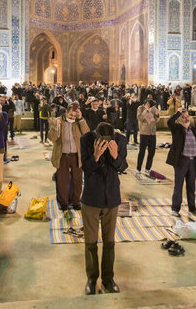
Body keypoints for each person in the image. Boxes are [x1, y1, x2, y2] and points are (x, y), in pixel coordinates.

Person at [80, 122, 127, 295]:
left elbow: (123, 167)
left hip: (111, 198)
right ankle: (92, 279)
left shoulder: (120, 140)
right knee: (91, 242)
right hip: (91, 198)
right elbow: (85, 168)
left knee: (109, 242)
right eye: (102, 141)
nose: (105, 143)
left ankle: (108, 279)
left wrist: (115, 156)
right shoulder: (86, 140)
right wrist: (96, 155)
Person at [49, 103, 89, 210]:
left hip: (77, 156)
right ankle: (64, 202)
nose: (72, 118)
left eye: (74, 116)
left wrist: (81, 119)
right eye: (71, 115)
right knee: (62, 180)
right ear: (66, 112)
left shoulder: (79, 122)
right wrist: (55, 128)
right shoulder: (57, 121)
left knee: (78, 180)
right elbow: (52, 138)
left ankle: (76, 201)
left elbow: (87, 134)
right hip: (62, 156)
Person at [167, 107, 196, 217]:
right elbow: (169, 122)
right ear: (179, 119)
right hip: (181, 161)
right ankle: (175, 208)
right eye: (183, 117)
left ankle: (192, 208)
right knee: (178, 185)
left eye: (187, 116)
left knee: (191, 186)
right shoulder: (177, 129)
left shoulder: (194, 130)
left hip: (192, 162)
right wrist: (178, 112)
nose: (186, 118)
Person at [136, 99, 160, 175]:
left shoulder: (154, 108)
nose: (151, 106)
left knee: (152, 152)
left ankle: (147, 168)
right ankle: (138, 168)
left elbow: (156, 120)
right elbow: (140, 118)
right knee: (142, 152)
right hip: (144, 133)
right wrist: (146, 110)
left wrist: (157, 114)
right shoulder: (140, 108)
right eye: (149, 104)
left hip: (152, 133)